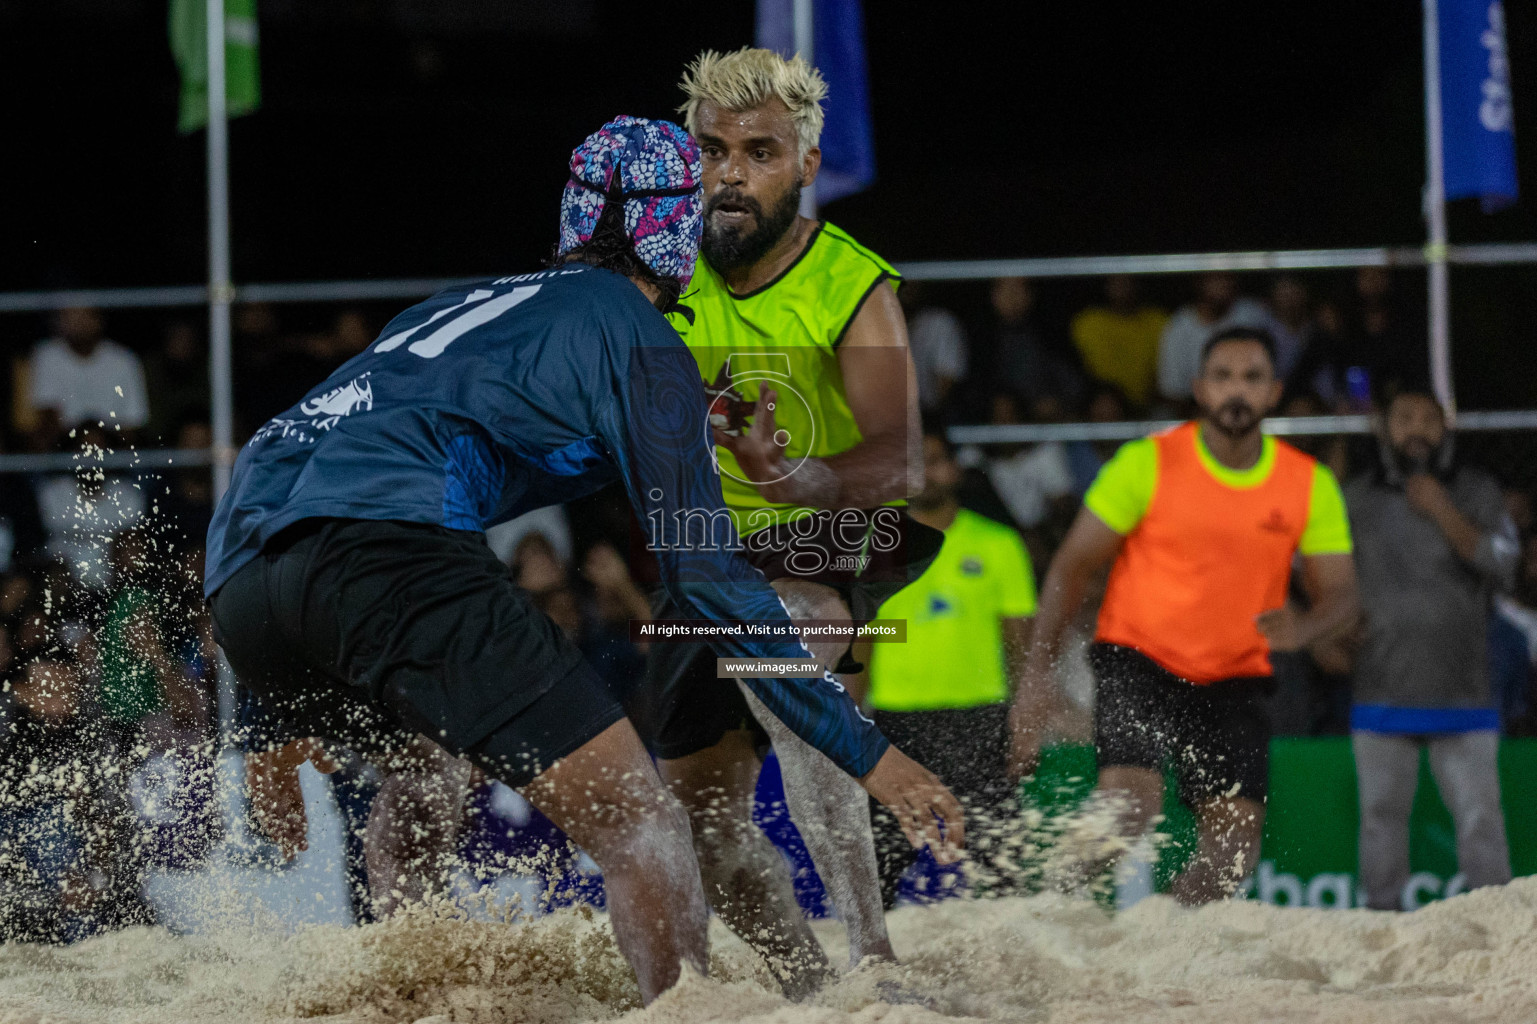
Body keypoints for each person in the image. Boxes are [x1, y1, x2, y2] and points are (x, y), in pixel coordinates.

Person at [204, 115, 960, 1004]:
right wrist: (873, 755)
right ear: (672, 230)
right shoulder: (640, 339)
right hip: (387, 560)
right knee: (645, 827)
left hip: (244, 582)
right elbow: (708, 586)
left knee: (421, 770)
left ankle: (399, 984)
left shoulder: (458, 305)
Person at [620, 48, 945, 994]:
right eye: (712, 149)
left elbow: (900, 458)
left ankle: (873, 962)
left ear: (804, 165)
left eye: (758, 152)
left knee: (792, 649)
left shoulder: (850, 283)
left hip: (823, 533)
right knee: (701, 824)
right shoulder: (659, 272)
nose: (729, 172)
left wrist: (798, 473)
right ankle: (806, 987)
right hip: (700, 555)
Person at [1010, 327, 1358, 904]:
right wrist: (1036, 679)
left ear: (1273, 392)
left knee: (1236, 849)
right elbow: (1071, 567)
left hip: (1234, 675)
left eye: (1251, 378)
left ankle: (1166, 937)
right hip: (1139, 659)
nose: (1235, 391)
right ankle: (1051, 906)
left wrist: (1308, 626)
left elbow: (1344, 597)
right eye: (1222, 377)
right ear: (1199, 389)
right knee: (1129, 804)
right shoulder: (1146, 462)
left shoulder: (1308, 483)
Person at [1345, 388, 1516, 910]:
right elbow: (1317, 574)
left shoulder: (1478, 492)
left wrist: (1443, 509)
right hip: (1380, 684)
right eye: (1404, 418)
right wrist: (1328, 635)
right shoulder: (1353, 497)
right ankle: (1380, 930)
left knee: (1482, 819)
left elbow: (1504, 564)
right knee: (1378, 821)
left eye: (1429, 420)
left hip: (1463, 690)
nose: (1416, 430)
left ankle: (1497, 930)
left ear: (1446, 430)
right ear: (1383, 428)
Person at [860, 428, 1036, 906]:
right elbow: (861, 641)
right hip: (897, 722)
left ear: (955, 468)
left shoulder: (998, 543)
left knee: (999, 861)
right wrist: (847, 724)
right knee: (880, 863)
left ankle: (1013, 969)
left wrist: (1025, 718)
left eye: (934, 460)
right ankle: (872, 974)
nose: (924, 472)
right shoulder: (873, 547)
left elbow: (1021, 642)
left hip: (980, 720)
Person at [21, 307, 150, 449]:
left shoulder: (124, 360)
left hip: (113, 447)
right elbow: (46, 419)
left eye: (84, 315)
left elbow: (132, 425)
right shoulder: (46, 356)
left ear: (99, 319)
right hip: (64, 447)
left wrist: (100, 438)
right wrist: (81, 437)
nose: (78, 323)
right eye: (70, 316)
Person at [1156, 273, 1270, 404]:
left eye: (1228, 277)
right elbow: (1173, 393)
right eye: (1215, 278)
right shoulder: (1179, 326)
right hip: (1197, 411)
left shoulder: (1252, 314)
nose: (1223, 284)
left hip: (1250, 406)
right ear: (1198, 282)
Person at [1070, 275, 1167, 410]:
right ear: (1105, 284)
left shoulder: (1157, 321)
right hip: (1100, 406)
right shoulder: (1087, 322)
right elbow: (1077, 372)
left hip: (1147, 407)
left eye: (1127, 280)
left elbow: (1165, 374)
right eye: (1116, 281)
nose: (1122, 287)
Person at [900, 282, 969, 417]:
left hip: (930, 418)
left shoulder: (940, 323)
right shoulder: (872, 324)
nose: (906, 287)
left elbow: (941, 392)